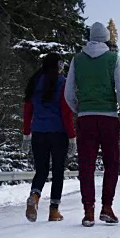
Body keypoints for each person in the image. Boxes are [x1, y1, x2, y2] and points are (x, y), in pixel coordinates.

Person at [65, 22, 120, 227]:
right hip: (109, 118)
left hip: (85, 118)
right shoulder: (113, 58)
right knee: (111, 164)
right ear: (105, 38)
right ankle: (107, 208)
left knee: (87, 164)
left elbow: (68, 93)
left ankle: (88, 211)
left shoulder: (77, 60)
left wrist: (80, 108)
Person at [22, 53, 77, 222]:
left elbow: (28, 110)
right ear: (57, 66)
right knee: (58, 171)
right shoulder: (63, 83)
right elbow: (66, 113)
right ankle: (54, 210)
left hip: (38, 132)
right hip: (58, 133)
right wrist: (72, 137)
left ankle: (35, 196)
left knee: (41, 170)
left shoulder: (34, 82)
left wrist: (26, 134)